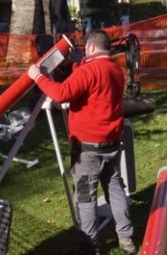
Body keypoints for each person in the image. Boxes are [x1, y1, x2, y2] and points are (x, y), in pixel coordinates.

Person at [27, 30, 136, 254]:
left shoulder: (89, 70)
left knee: (86, 197)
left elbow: (61, 93)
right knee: (115, 189)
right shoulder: (115, 70)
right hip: (111, 143)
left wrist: (37, 76)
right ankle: (126, 238)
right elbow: (91, 86)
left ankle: (89, 245)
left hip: (88, 149)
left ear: (92, 48)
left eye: (86, 49)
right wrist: (74, 66)